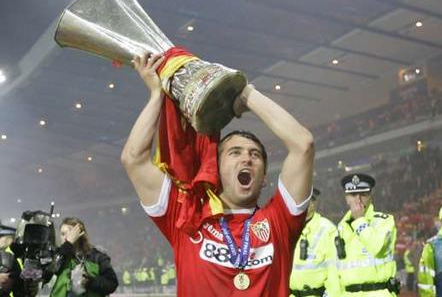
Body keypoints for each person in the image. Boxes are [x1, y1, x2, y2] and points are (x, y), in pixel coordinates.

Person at [121, 52, 314, 296]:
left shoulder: (280, 220)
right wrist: (157, 95)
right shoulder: (186, 216)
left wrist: (246, 94)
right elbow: (133, 159)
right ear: (215, 169)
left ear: (264, 177)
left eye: (255, 155)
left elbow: (303, 144)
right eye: (235, 153)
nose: (247, 158)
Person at [336, 173, 399, 296]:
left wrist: (359, 220)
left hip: (377, 292)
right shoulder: (340, 228)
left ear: (370, 196)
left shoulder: (384, 221)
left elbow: (377, 248)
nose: (358, 200)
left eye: (363, 194)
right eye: (353, 195)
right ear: (346, 198)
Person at [45, 217, 118, 297]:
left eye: (70, 233)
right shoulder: (59, 255)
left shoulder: (98, 257)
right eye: (62, 234)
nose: (65, 237)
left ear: (80, 234)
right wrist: (67, 245)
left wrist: (90, 282)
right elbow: (47, 273)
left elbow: (112, 284)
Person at [289, 188, 341, 297]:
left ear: (314, 203)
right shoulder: (286, 228)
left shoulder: (327, 229)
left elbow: (334, 273)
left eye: (306, 201)